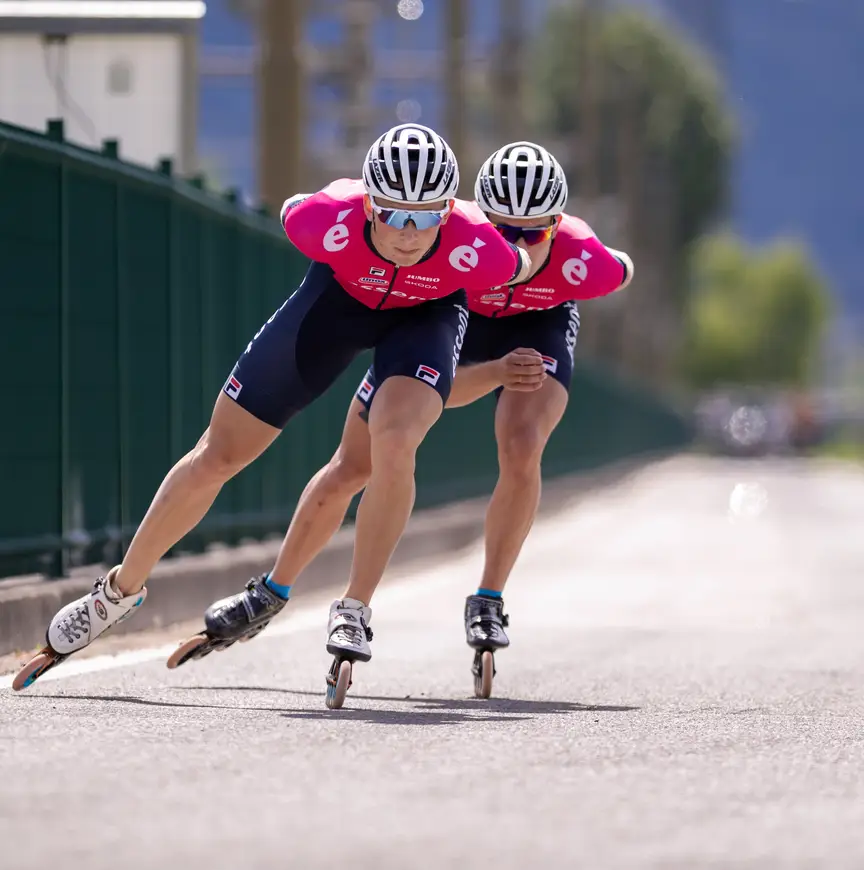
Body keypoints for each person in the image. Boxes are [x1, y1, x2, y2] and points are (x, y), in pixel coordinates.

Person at [15, 123, 534, 689]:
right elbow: (292, 205)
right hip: (335, 306)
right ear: (367, 205)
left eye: (427, 216)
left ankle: (355, 608)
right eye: (394, 214)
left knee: (394, 442)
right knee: (217, 453)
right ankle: (117, 592)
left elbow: (524, 267)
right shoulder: (323, 219)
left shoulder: (477, 246)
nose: (410, 233)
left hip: (425, 322)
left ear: (447, 213)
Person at [193, 140, 633, 669]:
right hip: (459, 316)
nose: (519, 244)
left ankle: (488, 598)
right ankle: (271, 590)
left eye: (535, 231)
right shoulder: (466, 252)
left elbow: (623, 267)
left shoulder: (586, 262)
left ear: (558, 225)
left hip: (539, 326)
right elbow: (437, 396)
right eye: (503, 230)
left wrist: (511, 371)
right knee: (354, 464)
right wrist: (493, 372)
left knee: (522, 446)